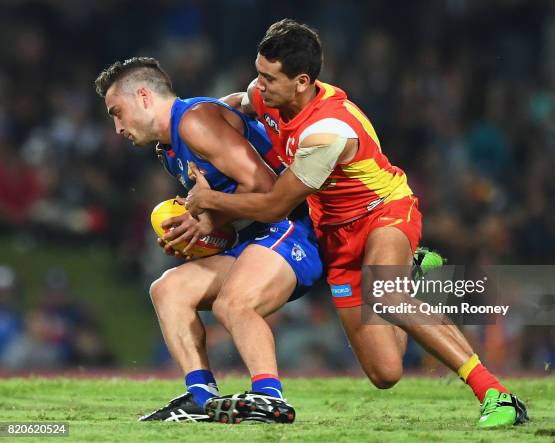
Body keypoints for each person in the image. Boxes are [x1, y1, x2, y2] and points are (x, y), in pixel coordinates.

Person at [185, 19, 529, 428]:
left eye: (268, 77)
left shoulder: (326, 131)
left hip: (383, 212)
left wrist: (209, 199)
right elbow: (230, 106)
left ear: (302, 81)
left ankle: (497, 394)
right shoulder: (267, 95)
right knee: (386, 373)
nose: (259, 84)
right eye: (258, 72)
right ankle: (409, 274)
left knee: (384, 293)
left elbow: (276, 205)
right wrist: (184, 130)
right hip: (336, 234)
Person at [94, 57, 323, 423]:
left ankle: (270, 399)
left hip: (293, 228)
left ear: (143, 96)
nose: (117, 127)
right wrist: (198, 230)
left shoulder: (194, 122)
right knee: (168, 289)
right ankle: (201, 399)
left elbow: (269, 191)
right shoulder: (170, 151)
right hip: (256, 236)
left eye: (117, 112)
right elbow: (227, 221)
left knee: (233, 304)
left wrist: (210, 213)